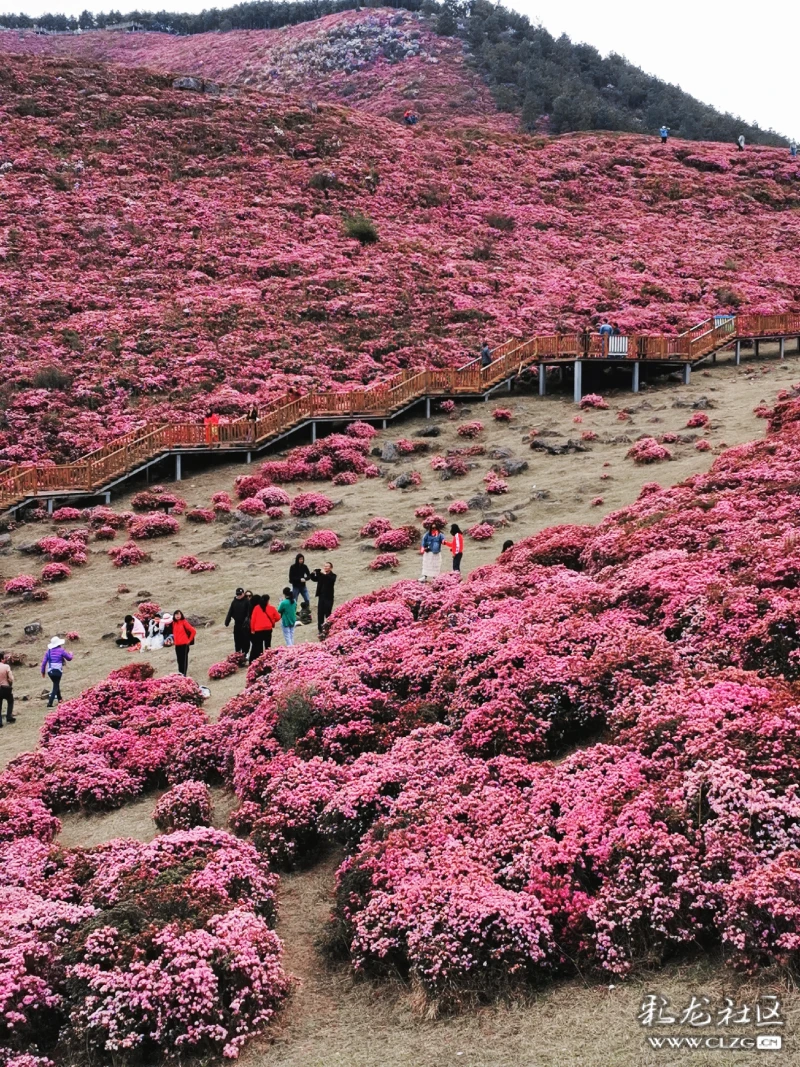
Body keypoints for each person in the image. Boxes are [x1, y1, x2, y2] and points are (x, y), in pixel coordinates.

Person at [41, 636, 73, 708]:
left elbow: (44, 663)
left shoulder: (48, 652)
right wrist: (71, 653)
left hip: (50, 672)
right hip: (58, 671)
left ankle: (60, 699)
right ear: (59, 644)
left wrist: (43, 672)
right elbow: (69, 658)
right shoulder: (61, 650)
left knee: (56, 684)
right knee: (55, 686)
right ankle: (50, 702)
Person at [249, 594, 281, 662]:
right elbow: (278, 617)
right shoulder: (271, 608)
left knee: (259, 646)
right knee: (267, 644)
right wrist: (272, 620)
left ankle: (260, 659)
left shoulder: (256, 608)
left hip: (258, 630)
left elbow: (253, 619)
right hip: (268, 629)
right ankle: (268, 659)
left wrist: (252, 629)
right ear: (268, 600)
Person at [309, 562, 337, 636]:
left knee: (328, 614)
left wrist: (324, 574)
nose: (325, 567)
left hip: (329, 598)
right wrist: (312, 573)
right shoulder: (321, 574)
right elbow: (314, 579)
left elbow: (330, 581)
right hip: (321, 597)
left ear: (331, 568)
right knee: (320, 614)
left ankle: (328, 629)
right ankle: (320, 630)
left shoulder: (333, 576)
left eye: (327, 566)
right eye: (325, 566)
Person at [225, 587, 251, 657]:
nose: (239, 596)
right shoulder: (234, 602)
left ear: (243, 593)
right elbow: (230, 612)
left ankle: (245, 653)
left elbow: (249, 612)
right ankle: (238, 653)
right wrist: (227, 621)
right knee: (237, 640)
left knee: (245, 640)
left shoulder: (246, 601)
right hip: (237, 624)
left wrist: (247, 620)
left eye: (240, 594)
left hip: (245, 625)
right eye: (238, 594)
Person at [171, 610, 196, 677]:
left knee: (184, 660)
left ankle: (184, 674)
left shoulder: (184, 622)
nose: (178, 616)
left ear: (181, 615)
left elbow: (193, 631)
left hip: (184, 645)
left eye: (179, 614)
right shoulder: (174, 623)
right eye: (176, 615)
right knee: (179, 660)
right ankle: (180, 674)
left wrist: (189, 640)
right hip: (177, 645)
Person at [289, 554, 312, 622]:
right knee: (294, 601)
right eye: (300, 559)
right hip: (296, 586)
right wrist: (299, 579)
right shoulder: (293, 567)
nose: (301, 560)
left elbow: (309, 575)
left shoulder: (304, 566)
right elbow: (291, 578)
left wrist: (305, 579)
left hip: (303, 586)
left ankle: (306, 612)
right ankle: (293, 614)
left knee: (307, 599)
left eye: (302, 559)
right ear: (297, 559)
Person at [0, 651, 15, 726]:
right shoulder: (6, 666)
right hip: (5, 687)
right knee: (10, 701)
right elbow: (11, 678)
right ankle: (9, 716)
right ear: (1, 659)